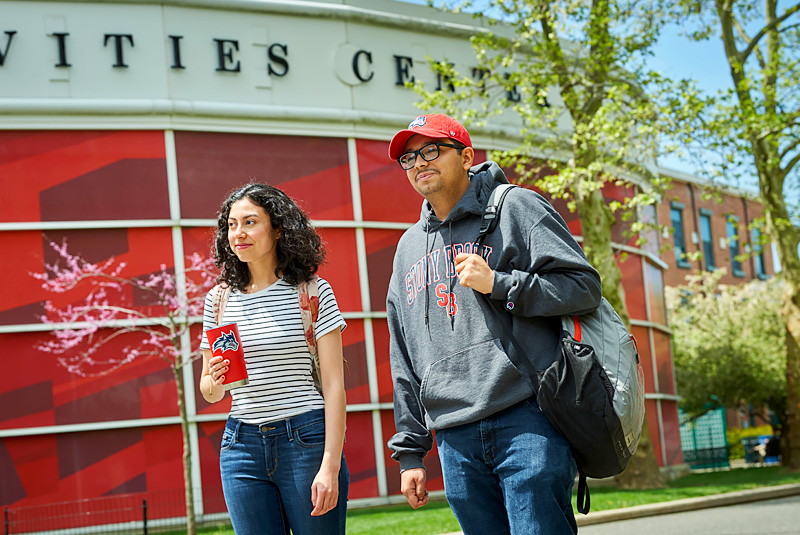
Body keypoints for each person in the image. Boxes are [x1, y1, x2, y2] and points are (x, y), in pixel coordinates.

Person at [385, 114, 602, 535]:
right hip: (454, 435)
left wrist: (500, 284)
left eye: (432, 150)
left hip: (526, 418)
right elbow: (404, 353)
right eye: (409, 158)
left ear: (467, 156)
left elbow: (583, 286)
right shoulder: (408, 246)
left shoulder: (516, 207)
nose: (419, 163)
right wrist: (411, 451)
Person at [199, 183, 348, 535]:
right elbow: (209, 391)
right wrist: (215, 379)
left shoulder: (311, 291)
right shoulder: (218, 300)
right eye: (232, 225)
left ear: (278, 228)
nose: (239, 234)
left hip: (306, 439)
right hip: (241, 446)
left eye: (250, 222)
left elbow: (334, 385)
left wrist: (329, 464)